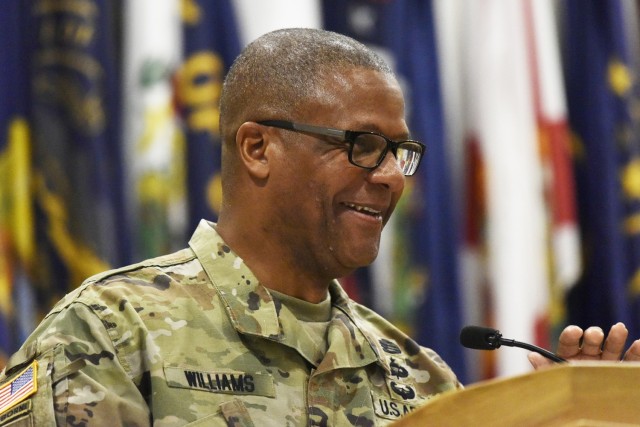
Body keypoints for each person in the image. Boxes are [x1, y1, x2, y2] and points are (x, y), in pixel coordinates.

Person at [1, 28, 639, 427]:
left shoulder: (417, 376)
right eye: (362, 144)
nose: (391, 175)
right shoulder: (106, 333)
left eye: (400, 151)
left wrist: (572, 412)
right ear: (257, 148)